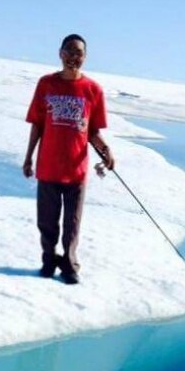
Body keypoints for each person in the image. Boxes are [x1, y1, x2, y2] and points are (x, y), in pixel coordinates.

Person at [23, 34, 115, 284]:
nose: (74, 57)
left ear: (85, 57)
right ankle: (48, 260)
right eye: (69, 51)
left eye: (79, 53)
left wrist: (106, 150)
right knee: (47, 222)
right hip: (48, 167)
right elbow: (37, 124)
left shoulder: (93, 89)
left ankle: (69, 265)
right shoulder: (46, 84)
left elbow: (92, 131)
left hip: (76, 170)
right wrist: (29, 157)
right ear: (60, 53)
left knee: (72, 225)